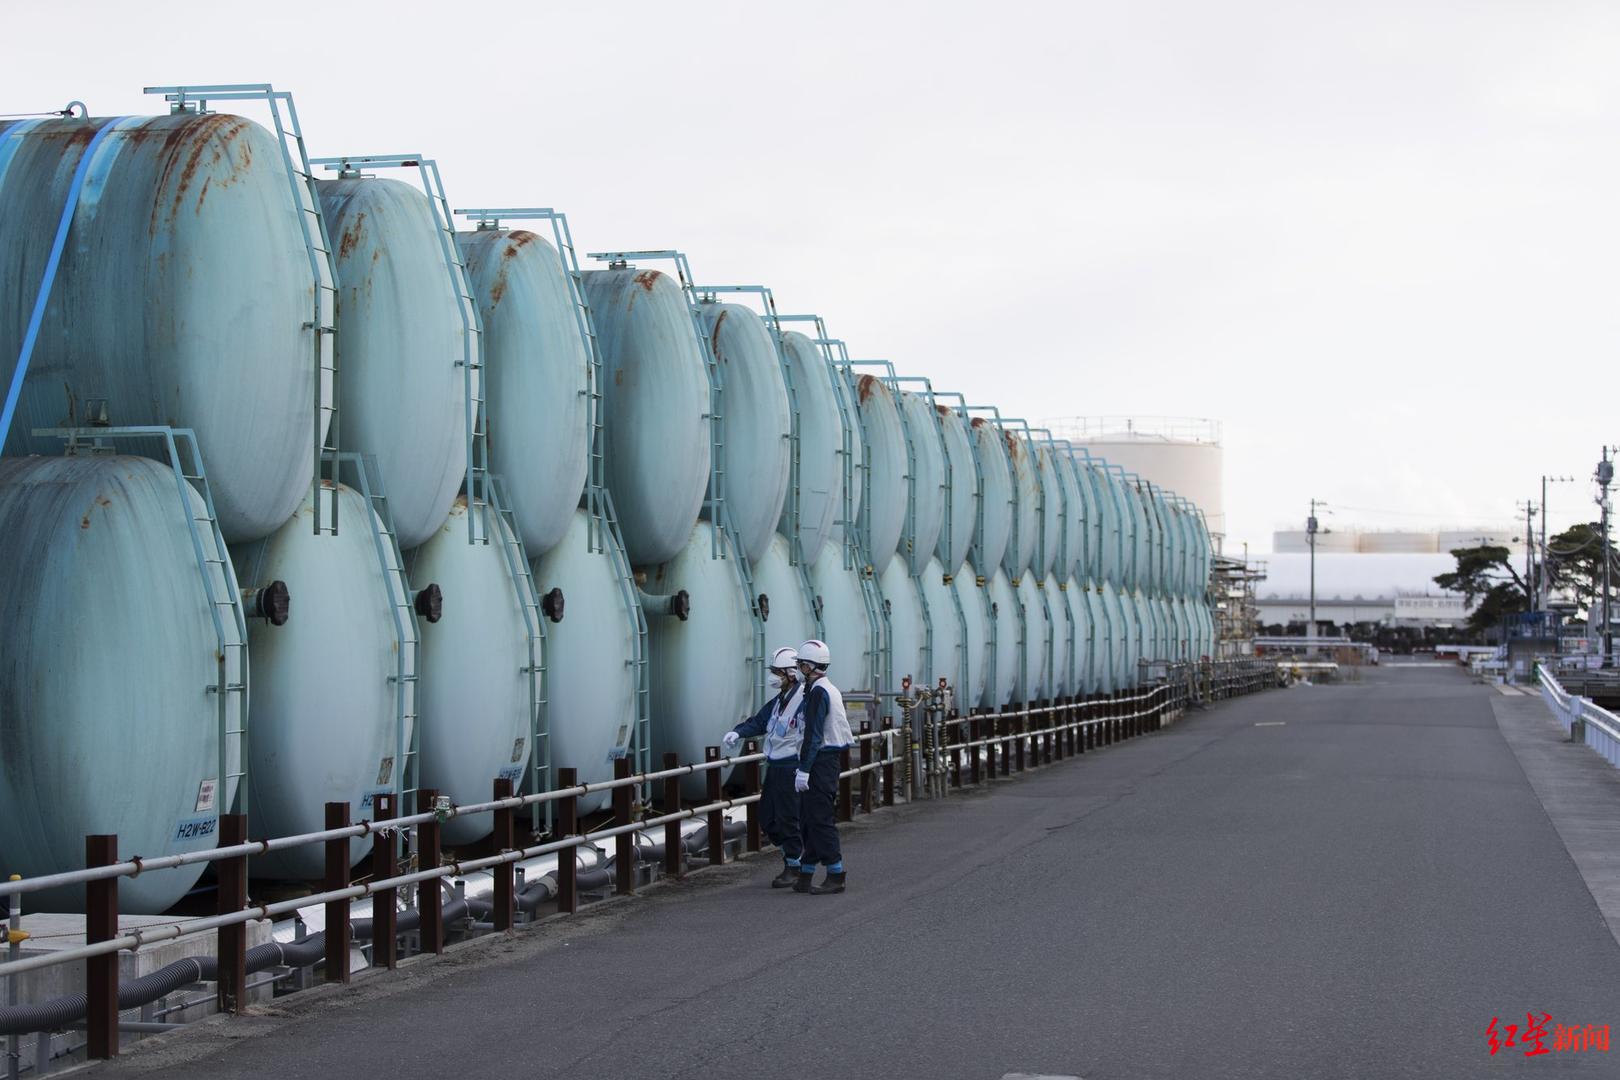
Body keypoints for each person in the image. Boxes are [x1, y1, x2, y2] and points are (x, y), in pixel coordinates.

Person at [722, 646, 806, 888]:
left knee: (788, 818)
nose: (773, 676)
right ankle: (793, 858)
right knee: (768, 818)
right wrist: (738, 733)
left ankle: (795, 865)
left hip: (791, 766)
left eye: (777, 672)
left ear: (791, 674)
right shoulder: (779, 701)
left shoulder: (802, 700)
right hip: (775, 766)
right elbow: (759, 722)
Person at [792, 638, 853, 894]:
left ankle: (835, 873)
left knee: (819, 819)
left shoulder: (818, 692)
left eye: (801, 665)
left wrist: (804, 768)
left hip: (821, 760)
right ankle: (806, 871)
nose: (799, 669)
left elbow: (814, 734)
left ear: (809, 666)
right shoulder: (826, 688)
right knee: (809, 818)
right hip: (826, 759)